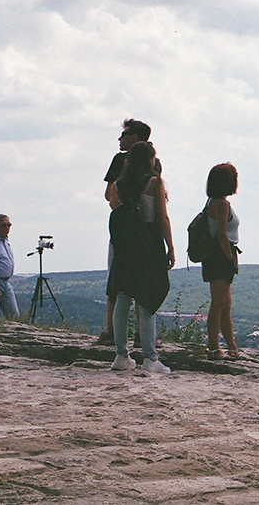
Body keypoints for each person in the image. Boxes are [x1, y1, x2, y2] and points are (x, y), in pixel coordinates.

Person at [107, 141, 174, 374]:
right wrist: (171, 247)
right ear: (149, 160)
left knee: (123, 299)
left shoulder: (119, 185)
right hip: (149, 243)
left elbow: (116, 209)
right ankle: (150, 358)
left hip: (126, 246)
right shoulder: (154, 182)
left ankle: (121, 355)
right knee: (147, 300)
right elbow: (162, 217)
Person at [97, 118, 161, 346]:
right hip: (147, 230)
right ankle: (142, 335)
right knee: (144, 281)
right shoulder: (156, 164)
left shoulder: (119, 161)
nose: (120, 138)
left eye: (124, 134)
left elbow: (109, 196)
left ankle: (111, 332)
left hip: (123, 228)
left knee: (117, 280)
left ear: (135, 137)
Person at [203, 163, 241, 360]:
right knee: (218, 305)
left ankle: (231, 347)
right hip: (220, 256)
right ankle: (213, 348)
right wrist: (229, 258)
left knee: (225, 305)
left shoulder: (212, 201)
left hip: (215, 256)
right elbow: (221, 234)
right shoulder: (222, 205)